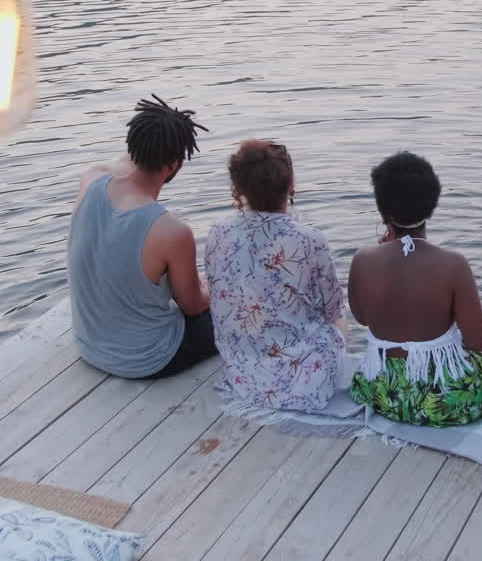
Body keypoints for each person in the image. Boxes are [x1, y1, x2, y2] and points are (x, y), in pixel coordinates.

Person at [66, 95, 215, 380]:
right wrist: (214, 287)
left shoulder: (91, 178)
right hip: (146, 358)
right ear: (174, 164)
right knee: (239, 305)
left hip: (88, 344)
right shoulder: (171, 231)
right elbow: (194, 306)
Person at [347, 152, 482, 427]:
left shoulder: (363, 259)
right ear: (432, 205)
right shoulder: (454, 264)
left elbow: (362, 318)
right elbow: (478, 342)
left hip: (381, 392)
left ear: (382, 213)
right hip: (445, 401)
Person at [205, 140, 345, 411]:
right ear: (290, 184)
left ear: (239, 188)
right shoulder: (310, 240)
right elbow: (332, 310)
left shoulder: (218, 231)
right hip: (301, 382)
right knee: (340, 321)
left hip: (243, 371)